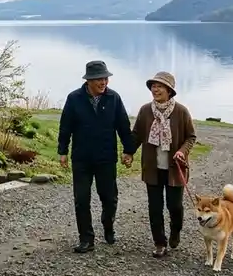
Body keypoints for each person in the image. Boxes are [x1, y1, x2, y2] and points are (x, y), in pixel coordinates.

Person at [57, 60, 136, 254]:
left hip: (106, 158)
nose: (103, 82)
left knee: (109, 198)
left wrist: (128, 151)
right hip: (81, 158)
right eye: (99, 79)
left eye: (105, 78)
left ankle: (108, 225)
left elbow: (123, 127)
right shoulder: (74, 98)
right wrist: (62, 151)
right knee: (81, 199)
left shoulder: (113, 98)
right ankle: (86, 239)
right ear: (89, 81)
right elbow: (65, 126)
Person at [131, 71, 197, 258]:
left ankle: (175, 231)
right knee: (155, 207)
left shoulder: (181, 111)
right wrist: (129, 152)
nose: (155, 89)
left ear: (169, 91)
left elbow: (191, 137)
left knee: (174, 206)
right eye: (153, 86)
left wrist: (181, 152)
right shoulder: (145, 111)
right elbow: (136, 135)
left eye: (159, 86)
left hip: (174, 169)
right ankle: (160, 243)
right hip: (152, 168)